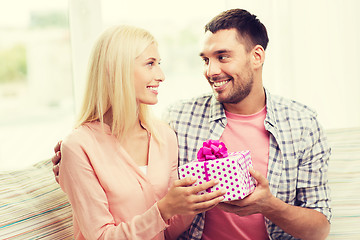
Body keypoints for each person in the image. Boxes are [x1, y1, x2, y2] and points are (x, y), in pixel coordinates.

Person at [53, 9, 332, 240]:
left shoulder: (302, 125)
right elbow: (121, 160)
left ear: (256, 57)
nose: (210, 71)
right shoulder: (180, 120)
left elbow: (320, 229)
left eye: (222, 57)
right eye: (205, 60)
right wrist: (71, 164)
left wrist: (269, 206)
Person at [56, 25, 225, 240]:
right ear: (117, 70)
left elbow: (168, 233)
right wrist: (163, 210)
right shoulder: (79, 146)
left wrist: (192, 203)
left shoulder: (164, 136)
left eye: (159, 64)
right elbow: (100, 237)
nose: (161, 75)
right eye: (150, 64)